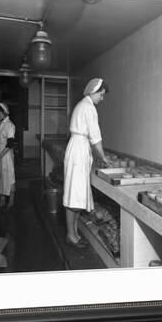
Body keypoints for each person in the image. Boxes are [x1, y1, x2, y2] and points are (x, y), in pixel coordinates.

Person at [63, 78, 113, 248]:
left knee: (77, 195)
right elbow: (96, 137)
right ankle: (71, 235)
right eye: (101, 94)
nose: (102, 98)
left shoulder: (82, 105)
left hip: (77, 148)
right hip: (78, 151)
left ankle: (74, 233)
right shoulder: (89, 108)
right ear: (93, 91)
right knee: (74, 196)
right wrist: (104, 157)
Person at [0, 103, 16, 208]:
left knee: (9, 178)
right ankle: (2, 200)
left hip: (6, 156)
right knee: (0, 177)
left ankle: (11, 200)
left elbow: (10, 144)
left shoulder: (9, 125)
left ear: (4, 113)